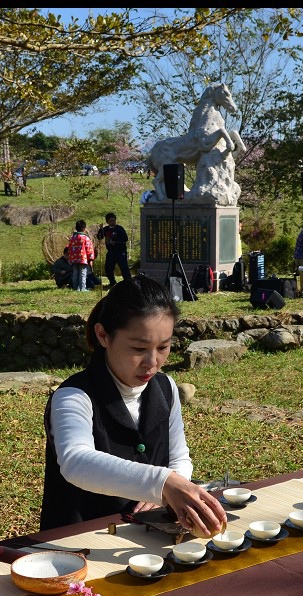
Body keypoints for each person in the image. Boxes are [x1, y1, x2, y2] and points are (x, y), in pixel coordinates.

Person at [40, 275, 227, 534]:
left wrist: (166, 487)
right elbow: (76, 461)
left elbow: (179, 458)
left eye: (164, 347)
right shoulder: (74, 396)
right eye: (139, 348)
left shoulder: (165, 388)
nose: (153, 362)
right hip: (82, 542)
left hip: (148, 540)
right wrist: (162, 483)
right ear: (103, 335)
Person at [97, 212, 132, 286]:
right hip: (111, 252)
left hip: (120, 251)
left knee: (124, 268)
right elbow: (100, 237)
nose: (113, 222)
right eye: (111, 221)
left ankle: (129, 283)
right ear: (107, 222)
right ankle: (112, 282)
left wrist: (116, 242)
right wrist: (100, 230)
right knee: (108, 268)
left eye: (114, 220)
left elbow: (125, 238)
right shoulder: (105, 229)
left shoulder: (119, 228)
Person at [66, 219, 96, 292]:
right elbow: (89, 249)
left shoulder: (72, 238)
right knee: (83, 273)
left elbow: (69, 248)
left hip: (74, 259)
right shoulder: (85, 238)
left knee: (75, 273)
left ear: (76, 228)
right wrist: (90, 258)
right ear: (84, 228)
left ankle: (75, 287)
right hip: (83, 259)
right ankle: (82, 288)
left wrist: (70, 258)